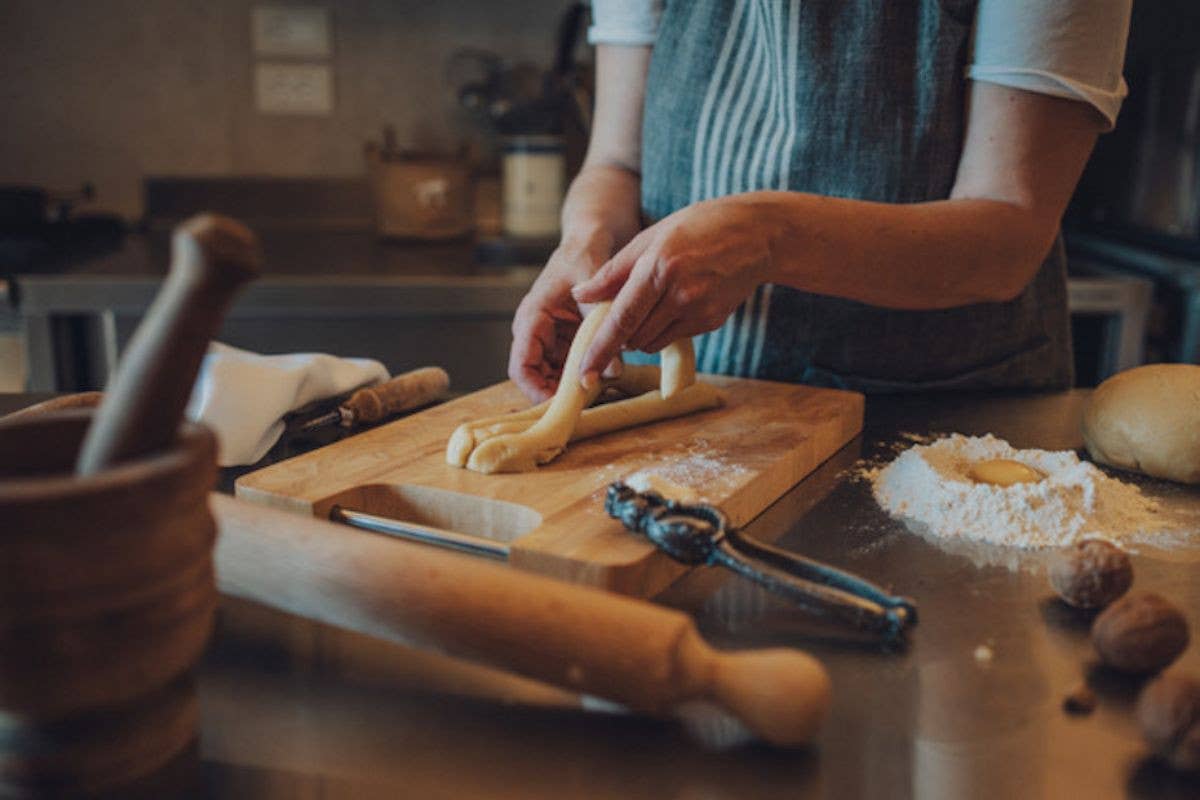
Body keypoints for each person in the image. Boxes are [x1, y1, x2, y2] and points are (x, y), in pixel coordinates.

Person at [507, 0, 1132, 402]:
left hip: (932, 429)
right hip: (688, 413)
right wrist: (586, 242)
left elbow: (1008, 235)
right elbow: (619, 163)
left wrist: (765, 236)